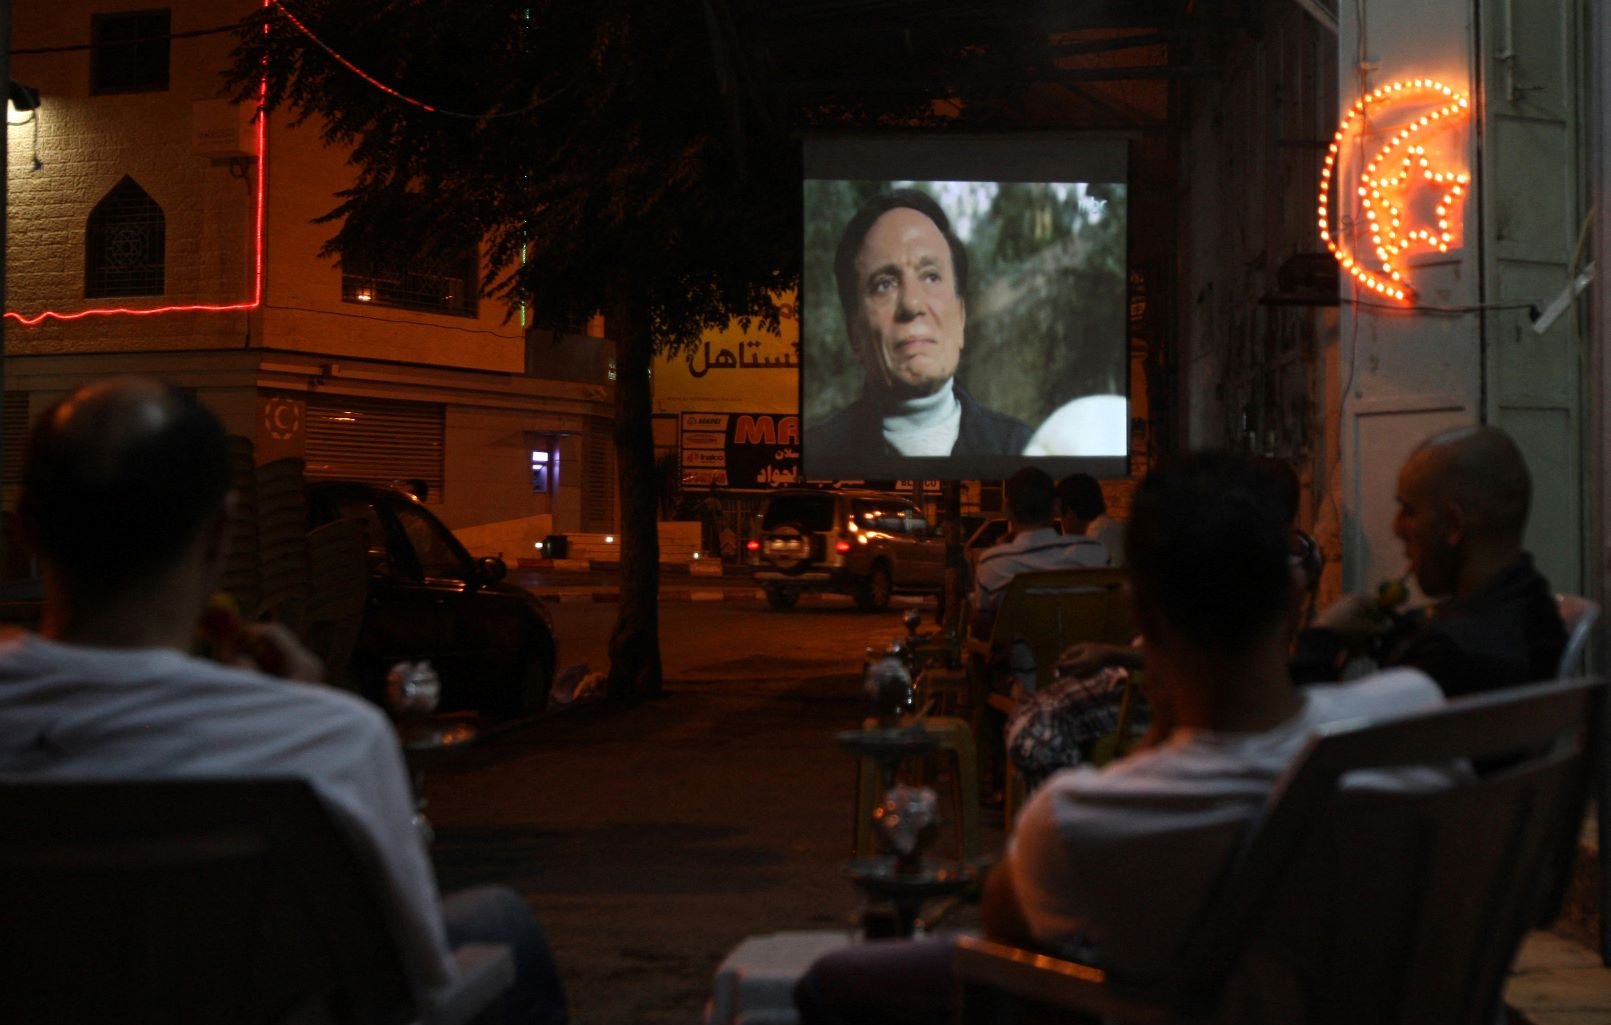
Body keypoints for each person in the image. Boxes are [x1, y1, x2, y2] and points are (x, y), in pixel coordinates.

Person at [793, 453, 1444, 1025]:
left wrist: (1161, 725)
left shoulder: (1082, 817)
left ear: (1139, 612)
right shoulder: (1410, 715)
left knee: (832, 982)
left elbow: (1007, 941)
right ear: (1295, 591)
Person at [0, 379, 567, 1025]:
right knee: (501, 921)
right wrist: (316, 706)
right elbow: (420, 983)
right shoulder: (326, 737)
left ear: (23, 531)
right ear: (221, 534)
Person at [1293, 425, 1566, 696]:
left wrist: (1321, 641)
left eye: (1409, 511)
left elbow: (1307, 733)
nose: (1396, 528)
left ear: (1454, 525)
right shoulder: (1535, 610)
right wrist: (1395, 634)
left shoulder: (1449, 658)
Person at [807, 189, 1031, 472]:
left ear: (960, 318)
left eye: (931, 276)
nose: (912, 304)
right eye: (884, 284)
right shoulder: (815, 452)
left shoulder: (1023, 448)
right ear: (854, 334)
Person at [972, 467, 1108, 633]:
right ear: (1057, 506)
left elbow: (981, 626)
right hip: (1086, 655)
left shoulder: (992, 563)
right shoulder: (1094, 551)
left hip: (1022, 657)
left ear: (1006, 508)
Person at [1054, 472, 1125, 566]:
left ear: (1070, 512)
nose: (1063, 524)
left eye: (1061, 517)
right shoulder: (1120, 529)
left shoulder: (1089, 543)